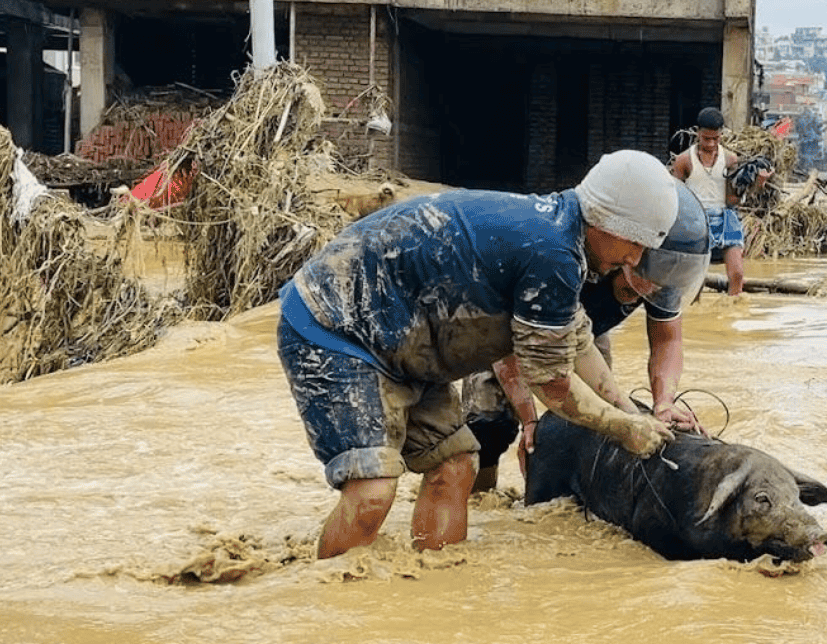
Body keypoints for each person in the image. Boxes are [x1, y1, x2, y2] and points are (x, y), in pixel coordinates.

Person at [277, 150, 680, 558]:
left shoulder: (564, 242)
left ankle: (433, 582)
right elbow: (552, 382)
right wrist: (622, 429)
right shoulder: (553, 251)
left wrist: (631, 412)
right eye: (635, 243)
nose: (634, 260)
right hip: (336, 327)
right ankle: (333, 590)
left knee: (455, 466)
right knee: (372, 490)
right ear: (606, 220)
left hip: (402, 346)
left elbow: (578, 342)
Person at [467, 184, 710, 492]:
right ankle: (479, 497)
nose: (651, 290)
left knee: (598, 422)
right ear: (630, 251)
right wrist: (530, 421)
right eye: (643, 281)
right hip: (507, 328)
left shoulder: (663, 274)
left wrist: (663, 402)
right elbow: (508, 349)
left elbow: (667, 341)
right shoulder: (567, 258)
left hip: (587, 333)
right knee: (489, 426)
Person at [670, 106, 768, 297]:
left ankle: (732, 308)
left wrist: (758, 184)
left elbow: (732, 199)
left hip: (725, 216)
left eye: (716, 138)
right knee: (695, 279)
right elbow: (675, 197)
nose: (711, 143)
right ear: (697, 133)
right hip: (695, 220)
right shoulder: (684, 161)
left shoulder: (730, 159)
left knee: (737, 275)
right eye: (706, 138)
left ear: (721, 134)